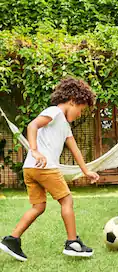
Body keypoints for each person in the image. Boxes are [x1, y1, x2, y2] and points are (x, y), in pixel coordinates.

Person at [0, 77, 100, 261]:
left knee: (38, 206)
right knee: (67, 201)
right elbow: (33, 125)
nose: (80, 114)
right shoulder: (54, 112)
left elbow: (74, 148)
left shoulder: (64, 124)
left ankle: (12, 239)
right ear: (72, 100)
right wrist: (35, 150)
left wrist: (86, 171)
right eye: (80, 109)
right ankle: (73, 243)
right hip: (44, 166)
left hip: (31, 168)